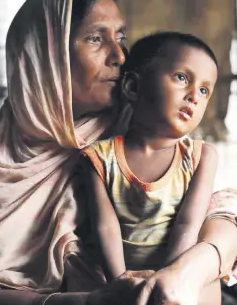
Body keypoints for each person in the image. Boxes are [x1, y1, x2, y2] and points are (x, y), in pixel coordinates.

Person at [0, 0, 237, 305]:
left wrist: (188, 272)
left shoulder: (138, 120)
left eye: (120, 37)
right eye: (95, 38)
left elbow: (222, 219)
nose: (120, 56)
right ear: (47, 50)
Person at [82, 32, 222, 286]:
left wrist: (168, 281)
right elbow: (106, 228)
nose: (194, 96)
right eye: (182, 78)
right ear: (133, 87)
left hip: (178, 279)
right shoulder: (99, 158)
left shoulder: (201, 157)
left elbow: (187, 224)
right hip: (119, 278)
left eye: (204, 90)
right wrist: (119, 282)